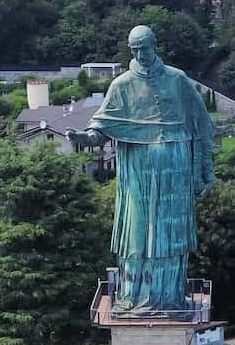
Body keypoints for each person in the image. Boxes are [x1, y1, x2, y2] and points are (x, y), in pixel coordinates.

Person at [85, 25, 214, 315]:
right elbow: (102, 125)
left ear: (155, 44)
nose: (141, 54)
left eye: (145, 47)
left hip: (175, 170)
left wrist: (206, 168)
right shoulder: (122, 85)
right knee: (137, 232)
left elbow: (203, 125)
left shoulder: (177, 80)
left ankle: (170, 296)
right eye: (135, 50)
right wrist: (87, 137)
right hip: (137, 172)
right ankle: (135, 294)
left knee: (172, 234)